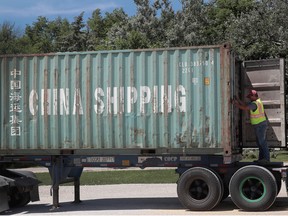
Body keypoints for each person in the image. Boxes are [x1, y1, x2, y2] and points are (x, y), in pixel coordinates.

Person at [233, 89, 270, 163]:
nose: (249, 98)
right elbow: (245, 105)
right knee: (260, 142)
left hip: (260, 125)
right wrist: (238, 100)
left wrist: (235, 104)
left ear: (254, 96)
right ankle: (262, 159)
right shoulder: (256, 102)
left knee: (262, 142)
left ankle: (266, 159)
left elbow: (245, 108)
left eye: (250, 96)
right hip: (259, 125)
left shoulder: (255, 104)